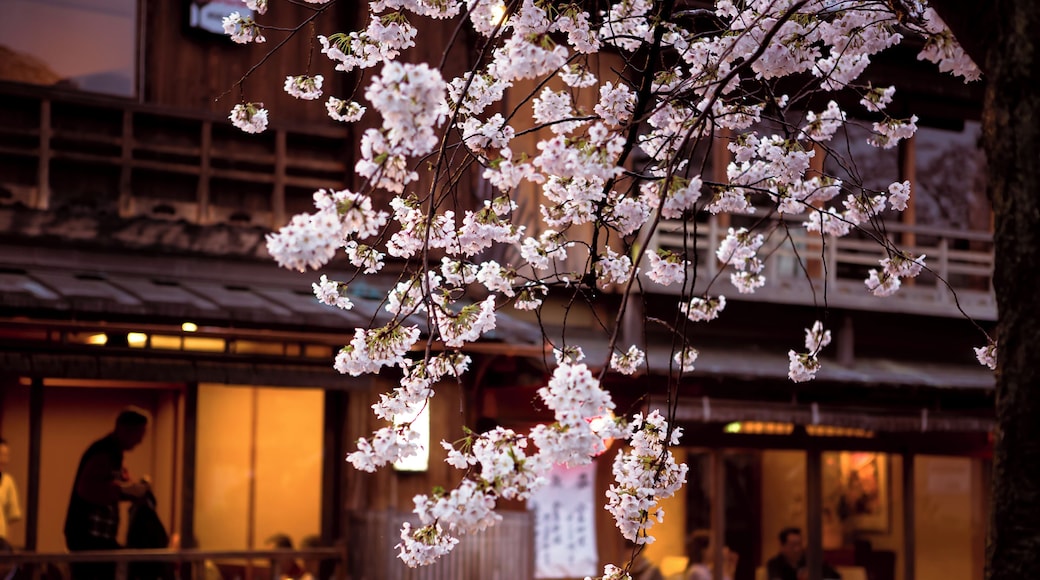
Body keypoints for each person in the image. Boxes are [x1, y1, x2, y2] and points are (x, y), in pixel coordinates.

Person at [64, 407, 151, 580]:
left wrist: (133, 490)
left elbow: (119, 483)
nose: (141, 440)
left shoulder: (114, 453)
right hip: (90, 537)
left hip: (98, 537)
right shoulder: (103, 452)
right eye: (139, 433)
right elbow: (87, 489)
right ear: (125, 429)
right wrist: (123, 489)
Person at [766, 527, 841, 580]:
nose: (797, 549)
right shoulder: (775, 564)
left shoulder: (810, 561)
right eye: (793, 545)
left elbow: (835, 576)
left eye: (799, 544)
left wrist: (814, 576)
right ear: (782, 546)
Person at [0, 439, 22, 543]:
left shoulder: (8, 482)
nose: (4, 460)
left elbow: (11, 518)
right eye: (1, 454)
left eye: (6, 455)